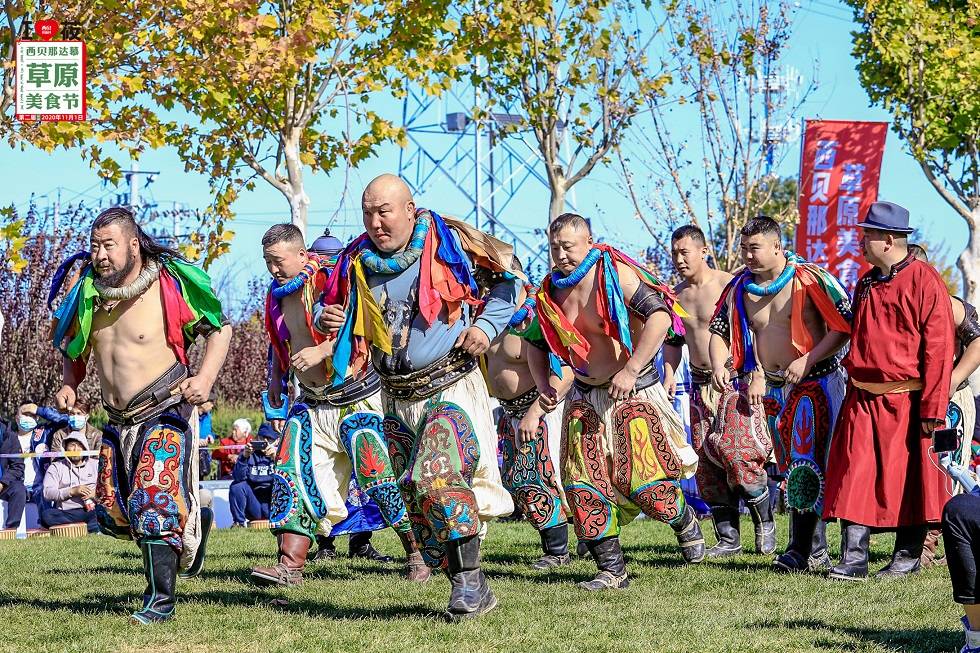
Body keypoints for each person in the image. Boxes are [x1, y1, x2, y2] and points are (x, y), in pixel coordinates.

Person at [316, 174, 517, 620]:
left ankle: (467, 582)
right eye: (367, 212)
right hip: (394, 396)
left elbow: (510, 282)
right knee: (417, 496)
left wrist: (484, 327)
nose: (375, 220)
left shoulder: (451, 242)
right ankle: (472, 583)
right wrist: (326, 313)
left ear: (410, 209)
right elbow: (327, 300)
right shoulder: (355, 260)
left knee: (436, 477)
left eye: (384, 210)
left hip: (448, 385)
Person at [49, 206, 230, 623]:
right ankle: (192, 526)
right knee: (114, 513)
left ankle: (160, 602)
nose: (100, 254)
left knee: (153, 504)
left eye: (108, 245)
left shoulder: (168, 281)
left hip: (165, 408)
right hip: (118, 420)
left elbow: (220, 330)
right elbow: (73, 347)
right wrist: (69, 384)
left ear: (132, 244)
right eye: (94, 246)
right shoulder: (88, 292)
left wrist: (204, 378)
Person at [527, 213, 704, 591]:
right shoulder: (548, 293)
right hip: (583, 396)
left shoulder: (616, 275)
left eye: (569, 247)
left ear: (589, 242)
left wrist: (632, 368)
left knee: (645, 483)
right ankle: (612, 570)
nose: (560, 255)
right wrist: (544, 385)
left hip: (632, 390)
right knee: (582, 483)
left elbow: (660, 315)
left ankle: (683, 519)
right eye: (554, 247)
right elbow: (535, 341)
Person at [250, 223, 426, 588]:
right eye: (267, 262)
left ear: (302, 255)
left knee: (380, 477)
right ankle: (290, 565)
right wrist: (276, 382)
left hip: (356, 398)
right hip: (312, 402)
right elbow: (280, 342)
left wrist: (325, 347)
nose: (273, 269)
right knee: (292, 475)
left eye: (278, 261)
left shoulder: (335, 279)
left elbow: (365, 326)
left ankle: (418, 553)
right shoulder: (277, 292)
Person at [709, 216, 851, 573]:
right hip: (772, 388)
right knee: (790, 466)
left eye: (754, 247)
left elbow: (842, 326)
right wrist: (726, 366)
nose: (748, 255)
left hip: (816, 381)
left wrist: (808, 358)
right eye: (744, 248)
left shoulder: (810, 279)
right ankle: (813, 549)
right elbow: (719, 330)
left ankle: (800, 551)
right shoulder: (740, 287)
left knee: (808, 463)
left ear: (777, 246)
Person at [823, 201, 954, 581]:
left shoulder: (925, 280)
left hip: (907, 400)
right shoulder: (865, 282)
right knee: (854, 474)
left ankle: (908, 555)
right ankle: (854, 558)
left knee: (909, 479)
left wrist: (932, 409)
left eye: (868, 235)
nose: (861, 242)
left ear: (890, 239)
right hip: (862, 398)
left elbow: (939, 349)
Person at [662, 225, 771, 558]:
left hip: (734, 380)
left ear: (703, 251)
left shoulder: (730, 284)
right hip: (697, 385)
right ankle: (727, 538)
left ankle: (765, 524)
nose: (679, 259)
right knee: (706, 464)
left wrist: (758, 373)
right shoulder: (674, 294)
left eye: (685, 252)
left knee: (740, 456)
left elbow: (759, 331)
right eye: (675, 253)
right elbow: (673, 340)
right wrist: (668, 375)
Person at [488, 281, 573, 570]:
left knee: (542, 479)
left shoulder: (537, 315)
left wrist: (535, 412)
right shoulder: (485, 318)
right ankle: (568, 544)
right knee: (519, 480)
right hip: (508, 411)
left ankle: (559, 550)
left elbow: (567, 370)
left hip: (540, 409)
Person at [910, 244, 980, 567]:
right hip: (911, 401)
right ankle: (913, 544)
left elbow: (978, 341)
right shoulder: (897, 302)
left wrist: (950, 381)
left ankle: (932, 544)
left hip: (951, 401)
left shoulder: (951, 306)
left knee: (947, 467)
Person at [40, 432, 99, 533]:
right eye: (72, 445)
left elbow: (109, 488)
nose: (76, 449)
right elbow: (47, 493)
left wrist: (95, 494)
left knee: (102, 513)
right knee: (47, 515)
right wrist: (72, 491)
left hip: (92, 510)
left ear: (85, 448)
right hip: (66, 512)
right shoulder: (56, 467)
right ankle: (88, 528)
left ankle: (84, 527)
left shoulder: (96, 465)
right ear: (65, 448)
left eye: (80, 446)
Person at [229, 422, 277, 527]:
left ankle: (283, 522)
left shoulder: (281, 454)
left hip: (273, 504)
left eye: (269, 439)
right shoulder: (249, 453)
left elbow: (289, 480)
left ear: (276, 440)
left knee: (281, 486)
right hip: (253, 503)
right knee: (237, 486)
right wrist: (244, 457)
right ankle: (239, 523)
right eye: (262, 437)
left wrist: (276, 458)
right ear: (257, 437)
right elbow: (238, 478)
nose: (265, 442)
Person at [0, 415, 26, 530]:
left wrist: (2, 483)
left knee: (19, 489)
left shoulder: (10, 436)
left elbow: (18, 467)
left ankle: (11, 530)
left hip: (3, 484)